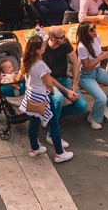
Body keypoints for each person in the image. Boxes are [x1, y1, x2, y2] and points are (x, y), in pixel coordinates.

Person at [19, 33, 74, 164]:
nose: (44, 47)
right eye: (42, 46)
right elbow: (49, 83)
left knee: (33, 122)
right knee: (54, 123)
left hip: (31, 96)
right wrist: (52, 91)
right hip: (42, 97)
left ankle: (34, 148)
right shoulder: (41, 65)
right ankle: (59, 153)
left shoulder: (25, 61)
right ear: (37, 50)